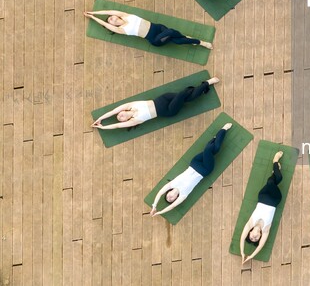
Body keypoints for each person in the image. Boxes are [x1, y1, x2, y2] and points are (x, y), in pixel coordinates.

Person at [149, 122, 233, 216]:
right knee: (211, 149)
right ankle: (222, 131)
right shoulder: (183, 195)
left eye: (167, 197)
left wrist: (154, 206)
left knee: (213, 150)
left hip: (194, 163)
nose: (169, 198)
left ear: (168, 192)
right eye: (171, 200)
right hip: (204, 170)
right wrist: (159, 212)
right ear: (175, 198)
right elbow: (171, 207)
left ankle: (215, 138)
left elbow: (160, 193)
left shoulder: (172, 184)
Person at [91, 77, 219, 130]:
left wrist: (100, 118)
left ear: (122, 111)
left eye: (119, 115)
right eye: (120, 119)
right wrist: (102, 127)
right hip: (168, 110)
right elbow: (117, 127)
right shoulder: (134, 120)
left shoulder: (129, 105)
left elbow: (112, 111)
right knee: (183, 94)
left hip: (163, 98)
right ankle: (207, 83)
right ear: (125, 121)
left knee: (187, 98)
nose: (120, 117)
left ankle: (203, 87)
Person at [84, 9, 213, 49]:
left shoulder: (125, 15)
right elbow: (106, 25)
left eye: (111, 17)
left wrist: (94, 12)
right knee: (172, 33)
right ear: (114, 25)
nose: (111, 18)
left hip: (158, 27)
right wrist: (93, 18)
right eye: (111, 21)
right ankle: (201, 42)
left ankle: (195, 41)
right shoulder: (122, 29)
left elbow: (110, 10)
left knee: (176, 39)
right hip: (155, 39)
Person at [240, 151, 284, 263]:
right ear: (259, 236)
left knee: (272, 181)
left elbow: (241, 238)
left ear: (249, 233)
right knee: (273, 181)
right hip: (274, 200)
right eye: (256, 238)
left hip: (262, 196)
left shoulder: (250, 224)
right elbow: (260, 246)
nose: (254, 237)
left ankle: (275, 168)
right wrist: (251, 256)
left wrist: (242, 252)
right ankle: (275, 165)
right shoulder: (265, 230)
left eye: (251, 237)